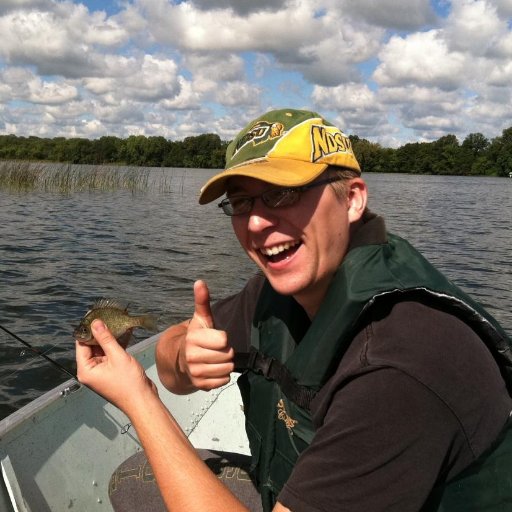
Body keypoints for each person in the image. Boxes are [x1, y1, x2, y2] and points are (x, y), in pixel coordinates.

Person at [77, 108, 512, 512]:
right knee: (131, 480)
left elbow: (157, 388)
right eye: (242, 202)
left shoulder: (402, 362)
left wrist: (139, 398)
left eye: (283, 193)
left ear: (353, 199)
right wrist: (185, 359)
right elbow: (172, 353)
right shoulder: (276, 295)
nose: (255, 222)